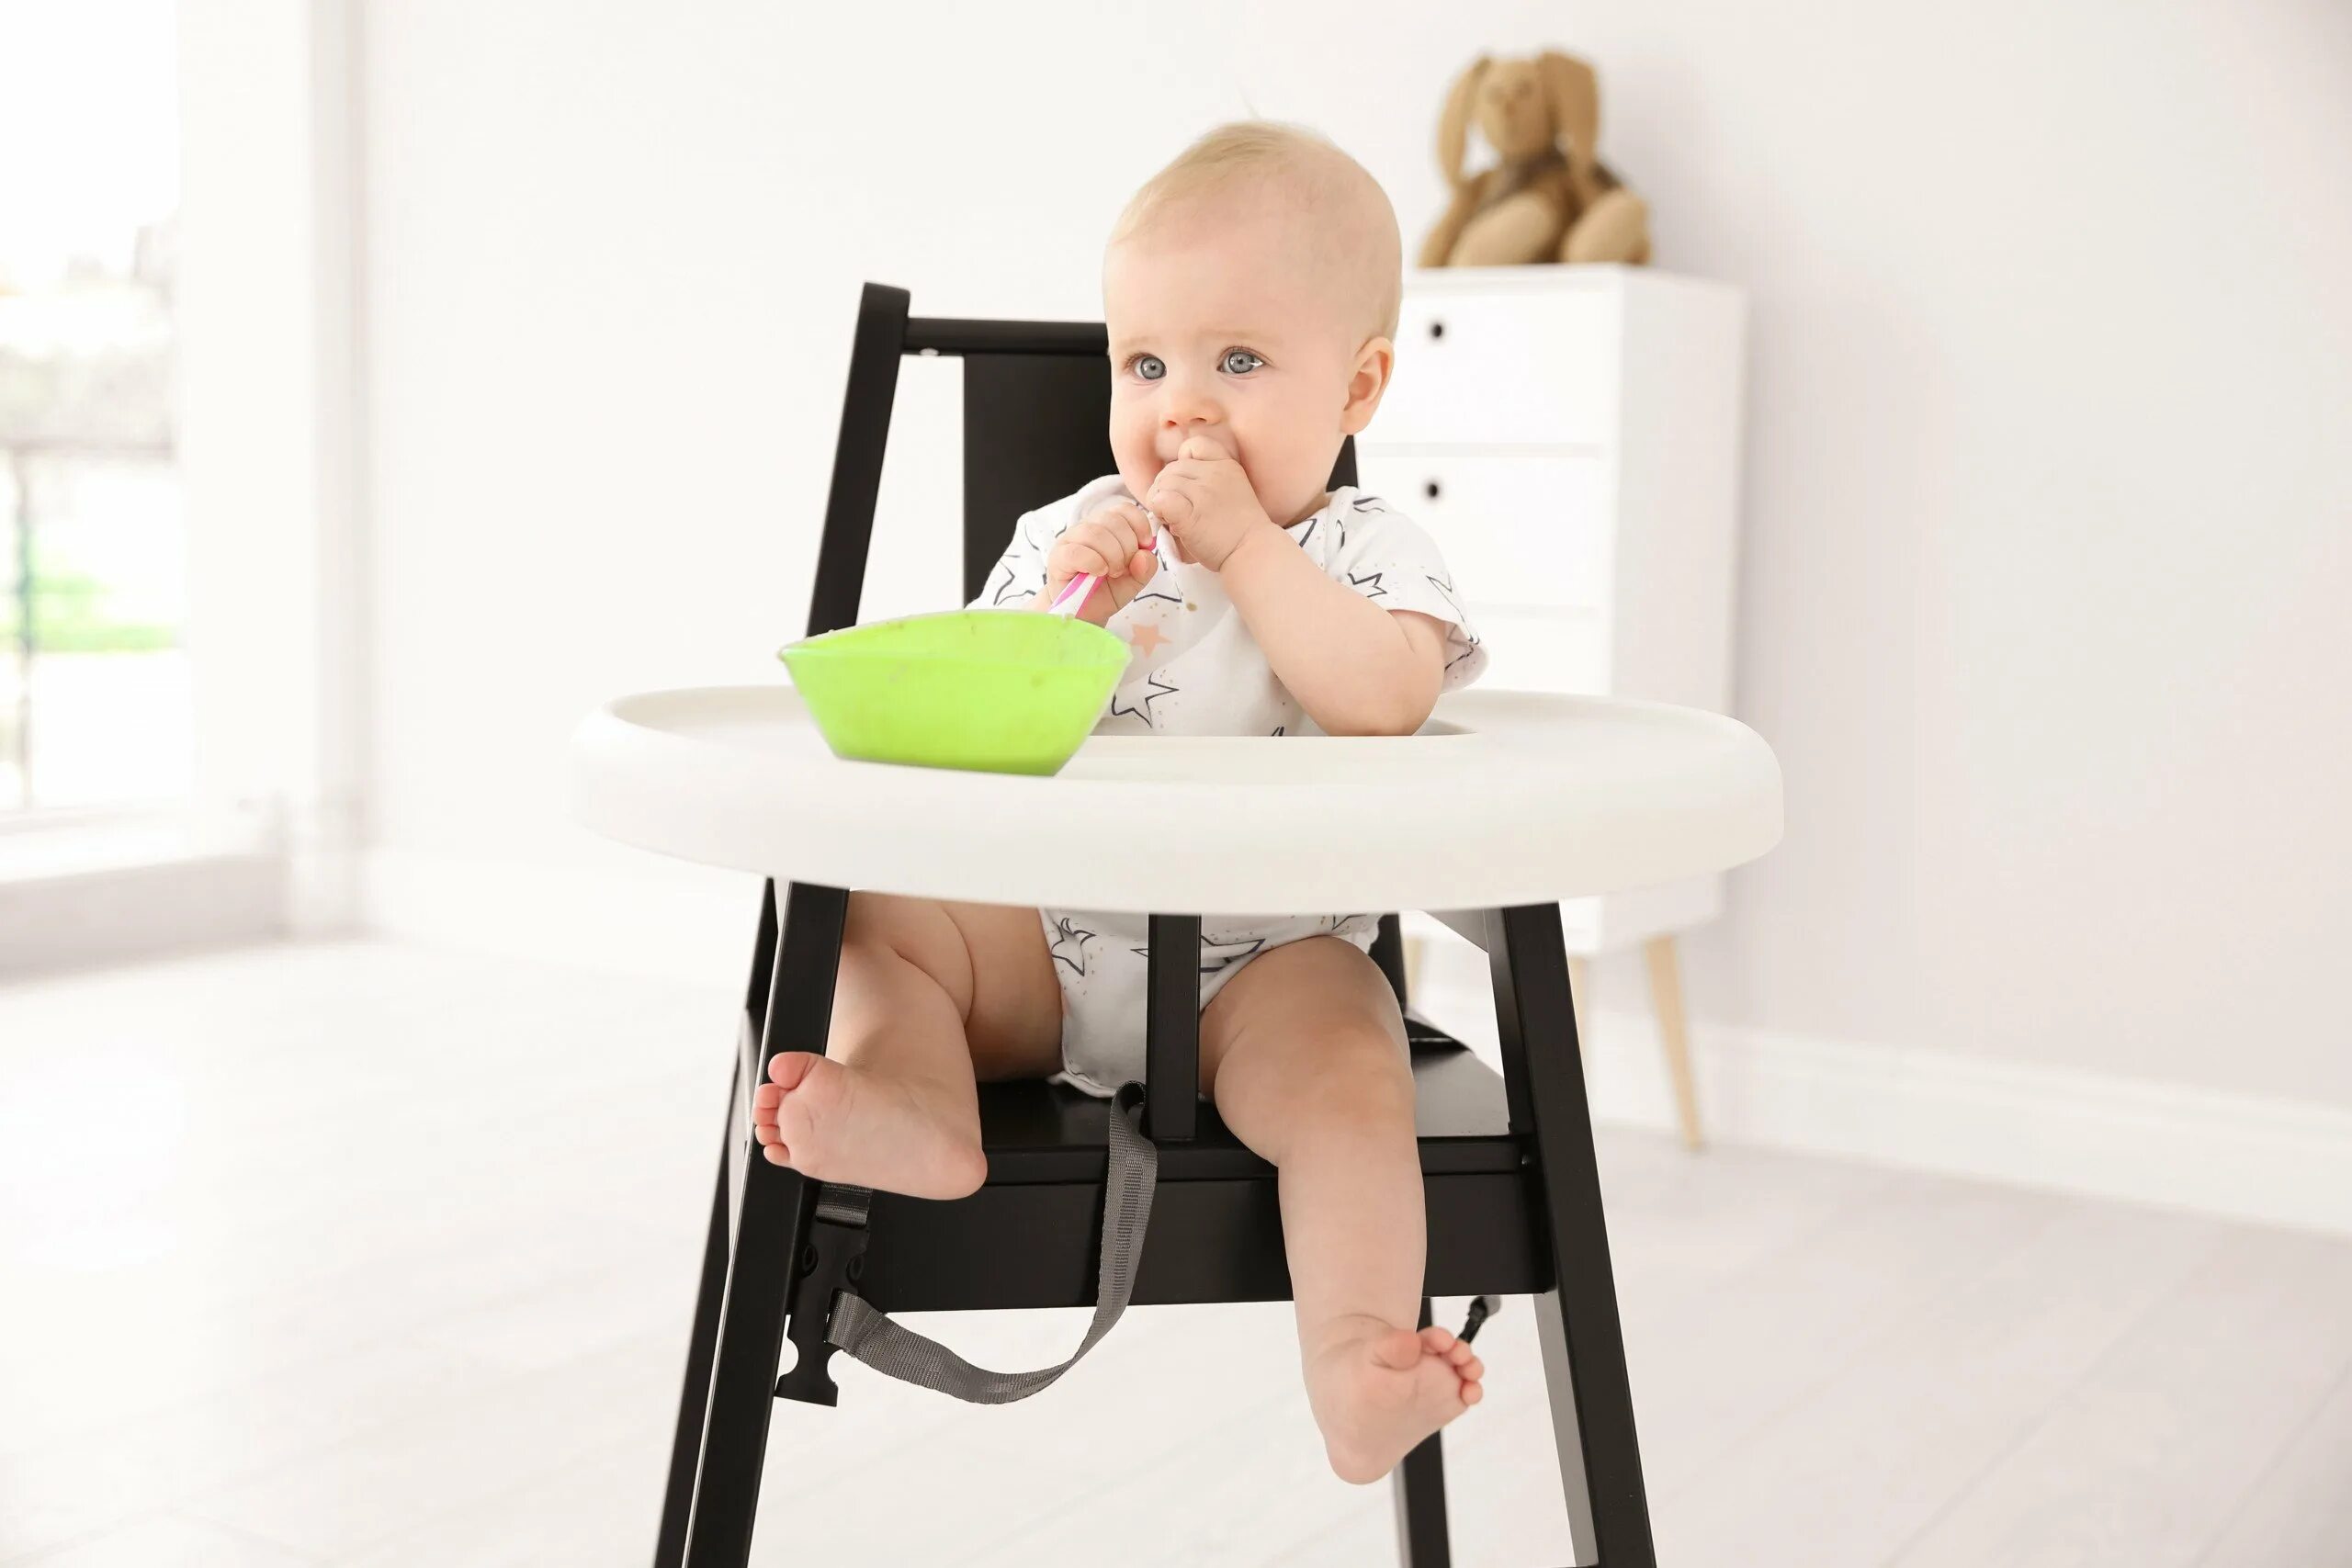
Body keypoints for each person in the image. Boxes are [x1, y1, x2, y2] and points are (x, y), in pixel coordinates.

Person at [753, 120, 1491, 1484]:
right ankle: (921, 1105)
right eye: (1146, 365)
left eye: (1240, 363)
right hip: (1044, 946)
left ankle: (1353, 1357)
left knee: (1352, 1058)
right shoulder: (1075, 527)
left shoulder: (1364, 549)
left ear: (1361, 385)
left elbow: (1386, 695)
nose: (1181, 409)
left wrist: (1251, 551)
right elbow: (969, 727)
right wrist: (1060, 606)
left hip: (1256, 974)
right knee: (869, 913)